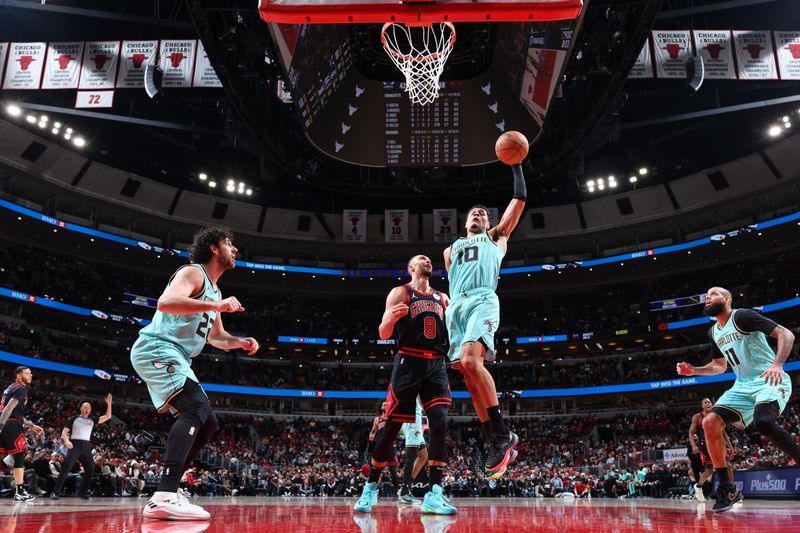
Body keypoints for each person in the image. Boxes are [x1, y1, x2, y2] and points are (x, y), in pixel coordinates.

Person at [131, 227, 260, 520]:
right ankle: (163, 494)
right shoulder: (193, 273)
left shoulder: (215, 290)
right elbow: (165, 303)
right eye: (229, 243)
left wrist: (238, 341)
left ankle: (169, 490)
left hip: (177, 356)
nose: (235, 249)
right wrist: (216, 305)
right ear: (213, 248)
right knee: (196, 407)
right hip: (158, 346)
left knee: (208, 423)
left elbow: (216, 337)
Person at [677, 286, 797, 512]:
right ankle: (727, 487)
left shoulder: (742, 316)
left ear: (727, 299)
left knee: (763, 423)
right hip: (741, 386)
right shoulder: (713, 332)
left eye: (713, 294)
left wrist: (777, 364)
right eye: (706, 296)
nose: (707, 298)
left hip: (768, 378)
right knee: (709, 422)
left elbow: (786, 334)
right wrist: (695, 371)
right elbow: (719, 367)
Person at [443, 165, 526, 479]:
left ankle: (503, 434)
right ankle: (493, 439)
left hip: (482, 299)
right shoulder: (450, 251)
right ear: (466, 222)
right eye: (473, 213)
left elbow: (519, 200)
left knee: (471, 362)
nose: (477, 214)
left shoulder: (496, 237)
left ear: (490, 222)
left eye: (483, 213)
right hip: (457, 308)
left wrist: (516, 165)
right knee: (466, 372)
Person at [355, 255, 455, 515]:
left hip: (436, 364)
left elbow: (454, 331)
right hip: (408, 363)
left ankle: (434, 493)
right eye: (422, 259)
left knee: (440, 421)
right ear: (411, 267)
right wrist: (389, 319)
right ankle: (371, 487)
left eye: (430, 259)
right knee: (391, 427)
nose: (428, 261)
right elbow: (383, 333)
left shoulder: (443, 298)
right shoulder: (400, 292)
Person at [51, 394, 113, 500]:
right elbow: (64, 433)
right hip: (75, 444)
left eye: (89, 407)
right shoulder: (74, 419)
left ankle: (82, 492)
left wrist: (109, 404)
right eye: (85, 407)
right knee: (66, 468)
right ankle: (55, 492)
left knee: (90, 468)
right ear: (81, 409)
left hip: (86, 445)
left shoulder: (92, 420)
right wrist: (66, 441)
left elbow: (108, 417)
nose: (87, 409)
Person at [0, 366, 44, 502]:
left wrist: (31, 425)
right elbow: (9, 409)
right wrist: (0, 426)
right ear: (19, 376)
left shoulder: (10, 388)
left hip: (8, 421)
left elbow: (15, 412)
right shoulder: (21, 388)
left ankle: (19, 491)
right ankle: (19, 492)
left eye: (31, 373)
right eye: (27, 373)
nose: (30, 375)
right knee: (19, 457)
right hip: (11, 424)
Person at [688, 397, 734, 502]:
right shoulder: (698, 417)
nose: (708, 403)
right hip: (705, 444)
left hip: (718, 442)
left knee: (728, 466)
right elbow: (691, 432)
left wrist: (730, 447)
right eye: (705, 402)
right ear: (702, 406)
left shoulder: (716, 416)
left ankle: (732, 491)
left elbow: (723, 433)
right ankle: (698, 487)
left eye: (709, 402)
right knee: (709, 471)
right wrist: (694, 445)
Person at [398, 397, 428, 504]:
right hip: (413, 420)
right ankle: (404, 492)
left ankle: (406, 488)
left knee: (423, 455)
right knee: (411, 455)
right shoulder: (414, 384)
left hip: (416, 420)